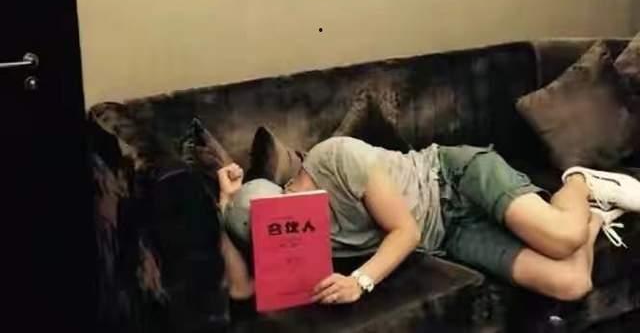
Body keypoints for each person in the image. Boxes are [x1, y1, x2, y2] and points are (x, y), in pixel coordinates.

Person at [218, 137, 640, 305]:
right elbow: (242, 290)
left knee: (562, 238)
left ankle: (580, 181)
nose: (289, 238)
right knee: (572, 283)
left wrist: (359, 281)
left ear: (287, 190)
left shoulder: (336, 157)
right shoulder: (288, 241)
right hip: (448, 234)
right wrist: (222, 208)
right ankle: (592, 216)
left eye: (284, 223)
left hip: (454, 179)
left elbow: (406, 231)